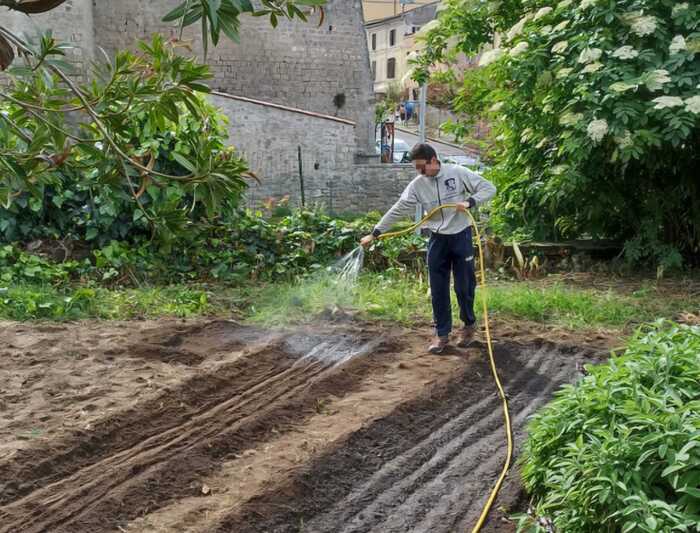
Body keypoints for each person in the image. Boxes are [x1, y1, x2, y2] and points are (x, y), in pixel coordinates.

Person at [361, 143, 496, 354]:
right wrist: (375, 232)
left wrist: (470, 202)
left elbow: (489, 188)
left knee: (464, 287)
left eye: (422, 166)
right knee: (438, 290)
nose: (419, 171)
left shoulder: (457, 172)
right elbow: (399, 209)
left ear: (433, 160)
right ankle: (442, 335)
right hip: (438, 240)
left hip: (461, 236)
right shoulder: (418, 185)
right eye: (416, 167)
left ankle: (468, 326)